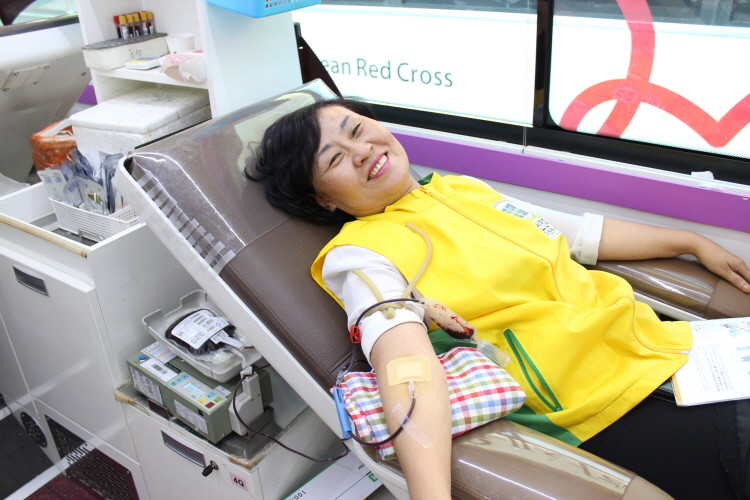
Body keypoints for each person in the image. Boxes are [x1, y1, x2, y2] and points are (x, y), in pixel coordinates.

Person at [249, 98, 750, 500]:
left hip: (664, 348)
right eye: (334, 158)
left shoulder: (461, 190)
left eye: (356, 129)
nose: (360, 150)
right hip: (598, 405)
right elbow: (405, 366)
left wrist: (690, 241)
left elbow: (579, 234)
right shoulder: (359, 254)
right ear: (323, 199)